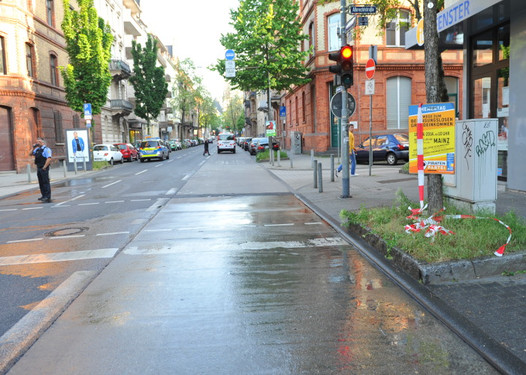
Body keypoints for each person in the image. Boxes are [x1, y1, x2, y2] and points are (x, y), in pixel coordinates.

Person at [31, 137, 52, 203]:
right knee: (41, 182)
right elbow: (30, 154)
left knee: (45, 182)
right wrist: (33, 147)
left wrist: (45, 167)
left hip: (44, 167)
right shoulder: (37, 149)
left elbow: (49, 158)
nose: (37, 143)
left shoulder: (46, 149)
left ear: (42, 142)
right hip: (39, 167)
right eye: (37, 142)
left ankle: (47, 196)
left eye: (39, 142)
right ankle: (43, 195)